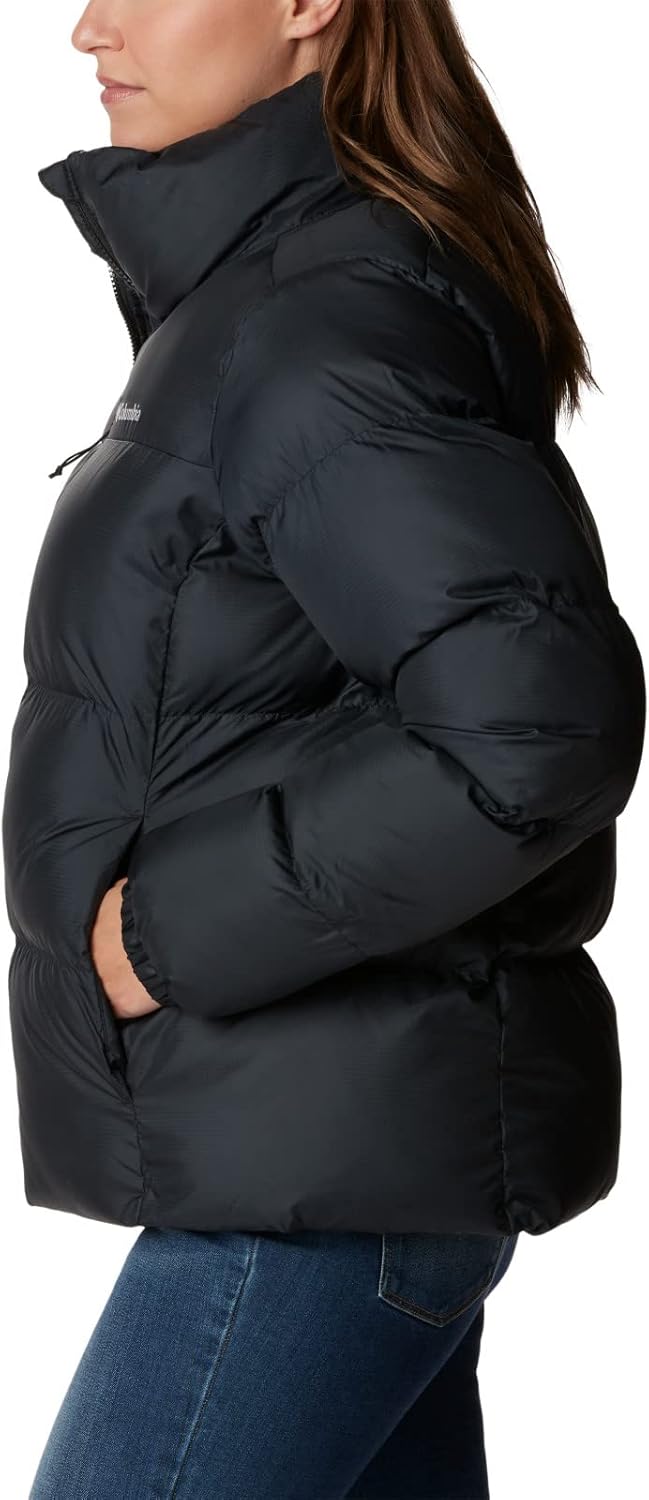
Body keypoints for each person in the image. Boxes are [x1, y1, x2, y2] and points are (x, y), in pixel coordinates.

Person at [4, 1, 644, 1496]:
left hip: (313, 1192)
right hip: (324, 1165)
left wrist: (162, 935)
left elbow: (533, 725)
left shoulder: (323, 321)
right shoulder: (266, 304)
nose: (89, 27)